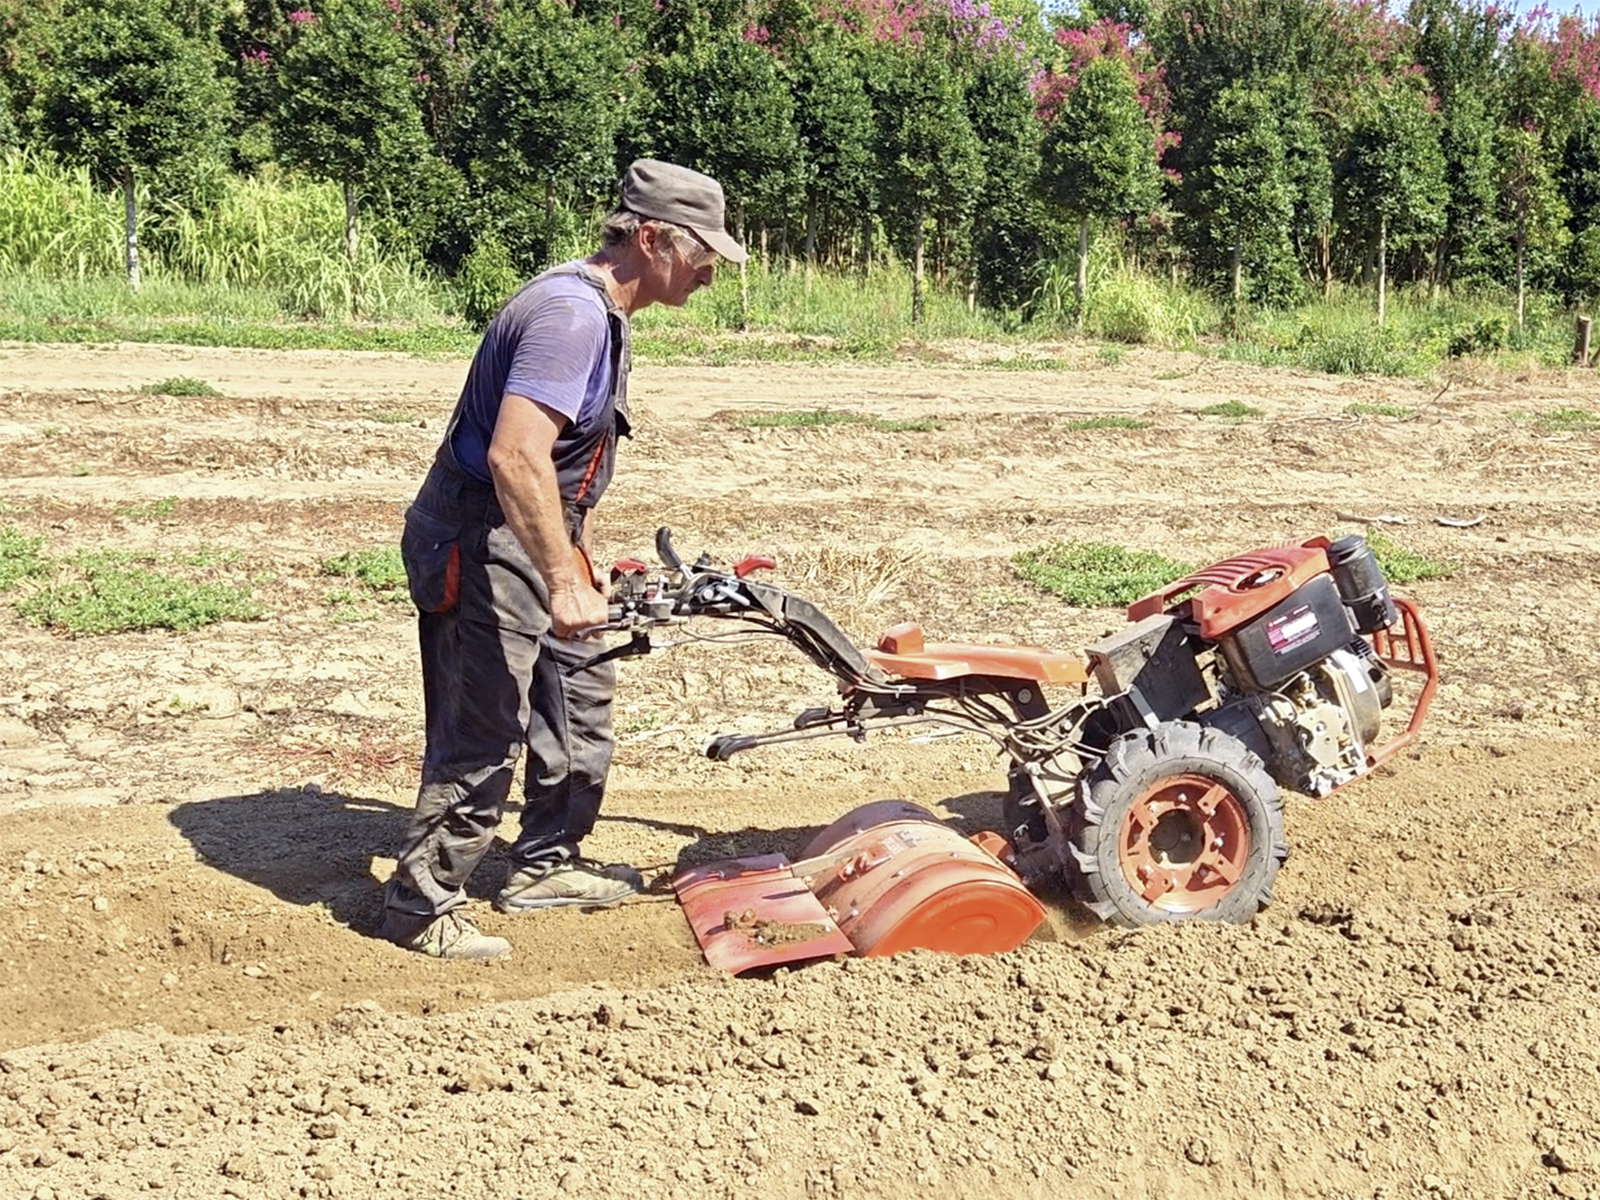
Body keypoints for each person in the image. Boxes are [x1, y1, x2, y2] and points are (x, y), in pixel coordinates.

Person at [378, 160, 747, 959]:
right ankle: (420, 904)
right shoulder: (570, 316)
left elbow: (559, 461)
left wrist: (574, 558)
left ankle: (545, 862)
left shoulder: (603, 311)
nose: (709, 273)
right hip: (483, 535)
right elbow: (515, 457)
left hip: (532, 527)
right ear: (650, 239)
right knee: (487, 723)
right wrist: (557, 577)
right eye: (702, 253)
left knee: (579, 686)